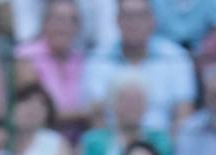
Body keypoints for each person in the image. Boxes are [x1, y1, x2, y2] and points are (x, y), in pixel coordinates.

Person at [83, 0, 196, 134]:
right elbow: (97, 116)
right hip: (113, 142)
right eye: (128, 16)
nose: (134, 23)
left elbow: (184, 114)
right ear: (117, 21)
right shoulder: (98, 59)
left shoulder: (176, 58)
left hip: (163, 144)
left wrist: (164, 148)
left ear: (153, 21)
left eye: (140, 16)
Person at [78, 71, 175, 155]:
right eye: (126, 101)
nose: (132, 107)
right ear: (112, 104)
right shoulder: (95, 141)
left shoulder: (160, 141)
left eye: (138, 101)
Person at [13, 0, 90, 137]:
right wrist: (84, 114)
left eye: (71, 21)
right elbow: (35, 112)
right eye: (58, 19)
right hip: (40, 136)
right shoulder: (28, 56)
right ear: (45, 23)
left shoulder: (81, 60)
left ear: (78, 28)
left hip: (79, 139)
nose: (64, 27)